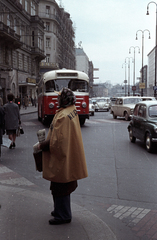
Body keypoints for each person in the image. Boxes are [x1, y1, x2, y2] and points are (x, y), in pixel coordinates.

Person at [38, 87, 88, 225]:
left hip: (62, 157)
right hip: (68, 154)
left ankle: (63, 215)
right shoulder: (71, 110)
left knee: (59, 186)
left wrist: (43, 145)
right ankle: (60, 209)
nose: (57, 99)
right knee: (63, 185)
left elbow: (57, 142)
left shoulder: (62, 116)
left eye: (59, 97)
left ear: (63, 100)